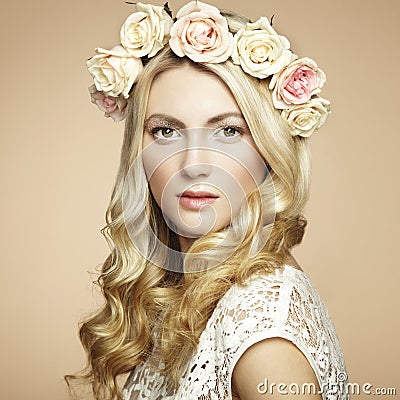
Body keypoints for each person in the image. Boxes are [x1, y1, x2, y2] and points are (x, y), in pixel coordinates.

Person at [66, 1, 349, 399]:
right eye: (166, 131)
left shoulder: (263, 337)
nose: (194, 164)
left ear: (270, 149)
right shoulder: (191, 290)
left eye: (228, 131)